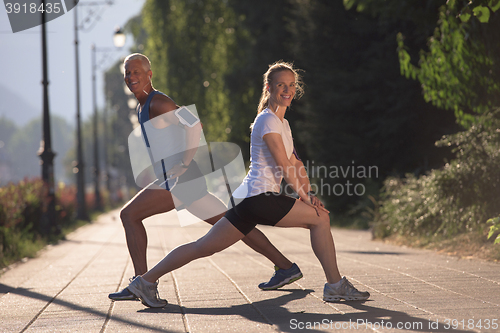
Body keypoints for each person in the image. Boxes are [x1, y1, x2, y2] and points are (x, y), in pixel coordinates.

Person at [125, 60, 370, 308]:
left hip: (248, 199)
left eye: (291, 85)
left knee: (203, 246)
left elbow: (296, 164)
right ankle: (334, 285)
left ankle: (145, 281)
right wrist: (306, 199)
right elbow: (284, 166)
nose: (287, 90)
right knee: (320, 219)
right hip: (259, 197)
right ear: (269, 87)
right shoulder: (268, 121)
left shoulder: (281, 123)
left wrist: (309, 193)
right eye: (281, 85)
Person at [108, 54, 304, 302]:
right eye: (128, 72)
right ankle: (285, 266)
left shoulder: (158, 102)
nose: (131, 77)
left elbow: (193, 123)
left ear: (149, 75)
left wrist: (185, 161)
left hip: (180, 180)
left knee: (129, 215)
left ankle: (141, 282)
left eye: (137, 72)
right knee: (234, 223)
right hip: (182, 181)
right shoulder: (143, 105)